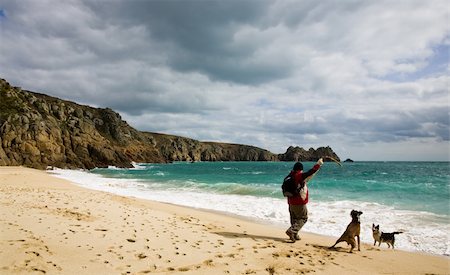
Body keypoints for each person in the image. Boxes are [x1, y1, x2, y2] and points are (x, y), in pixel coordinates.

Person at [285, 158, 323, 242]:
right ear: (300, 169)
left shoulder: (289, 176)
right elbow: (311, 172)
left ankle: (294, 235)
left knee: (294, 219)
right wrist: (318, 164)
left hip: (290, 202)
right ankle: (292, 231)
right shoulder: (299, 176)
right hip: (299, 202)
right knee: (303, 218)